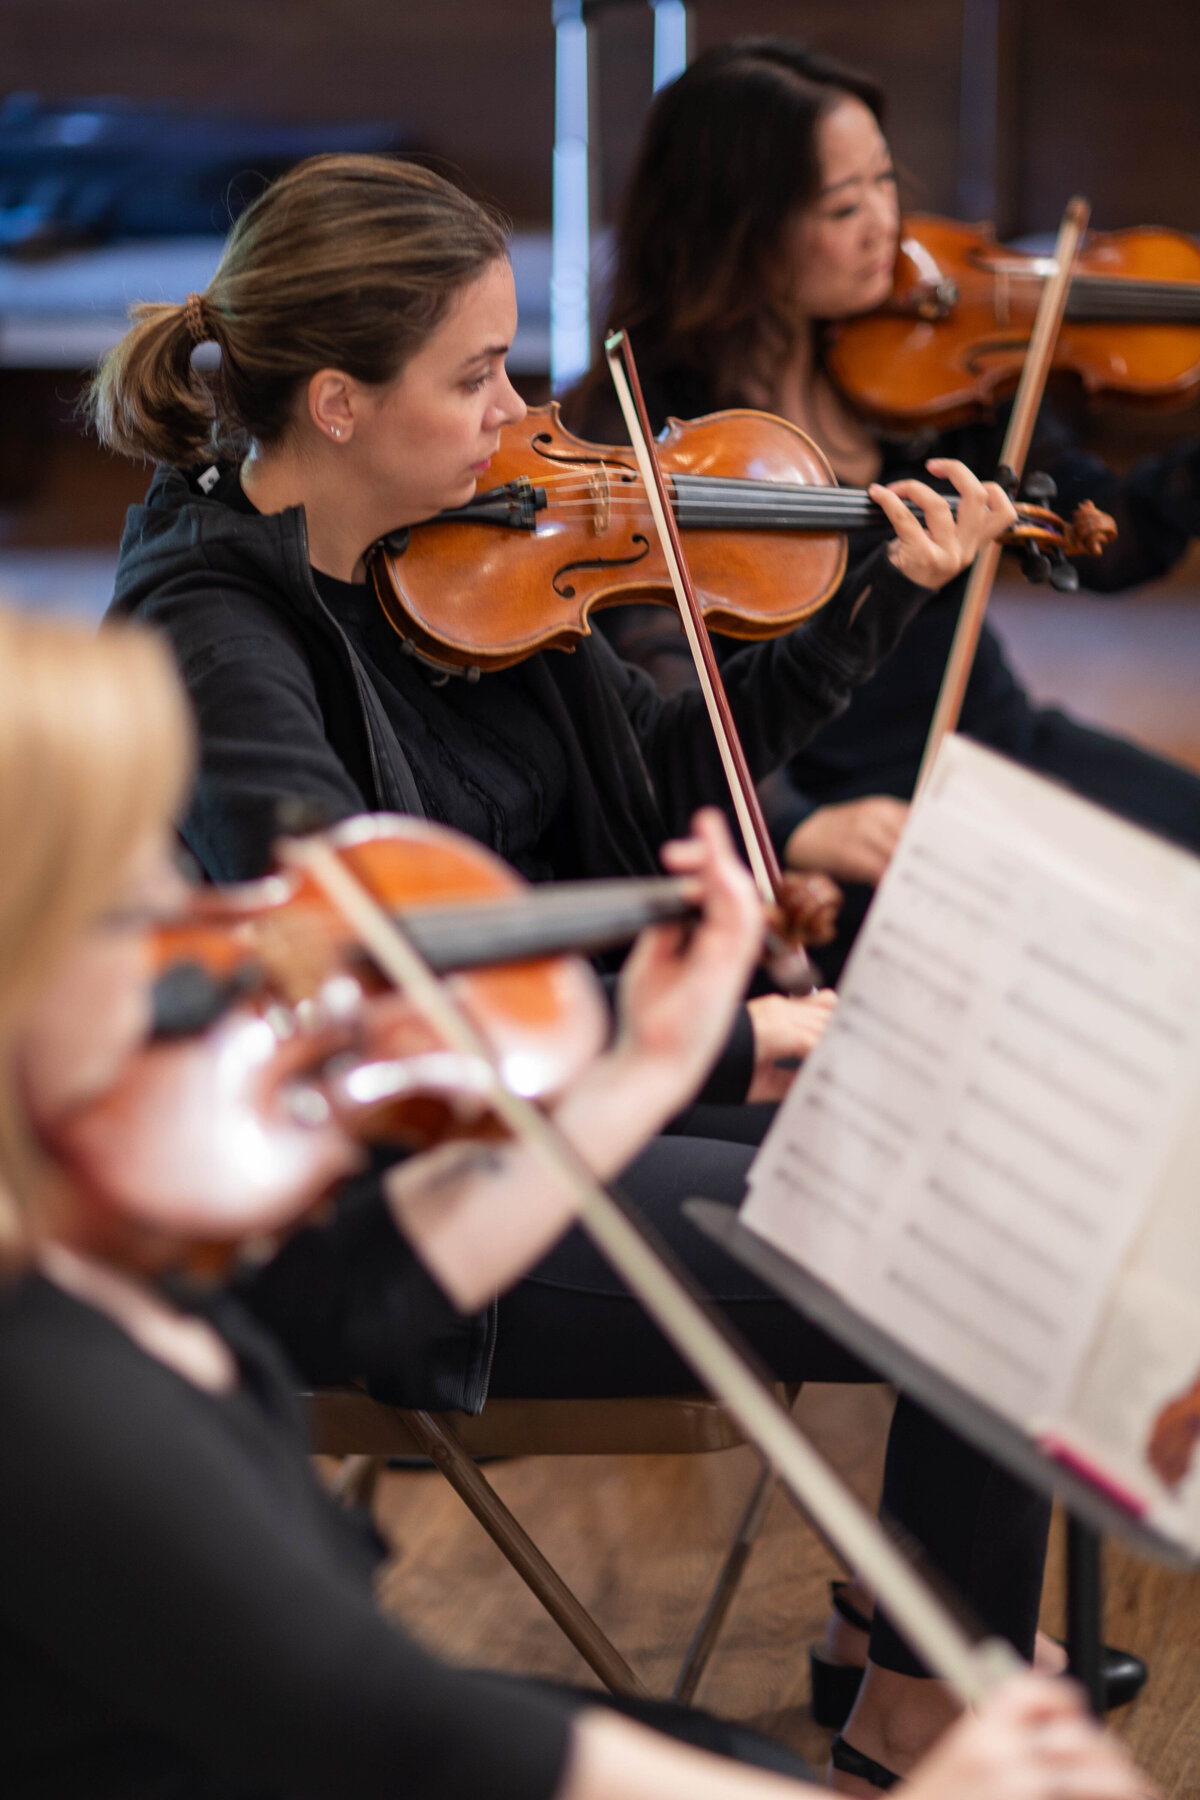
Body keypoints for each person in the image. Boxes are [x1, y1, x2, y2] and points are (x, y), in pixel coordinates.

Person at [87, 150, 1060, 1789]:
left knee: (992, 1186)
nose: (517, 413)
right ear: (335, 402)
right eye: (476, 375)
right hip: (420, 1192)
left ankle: (912, 1652)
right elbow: (375, 983)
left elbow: (678, 775)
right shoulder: (211, 635)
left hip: (580, 1089)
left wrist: (873, 601)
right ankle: (924, 1697)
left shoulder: (439, 559)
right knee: (964, 1264)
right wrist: (708, 1041)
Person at [0, 603, 1152, 1800]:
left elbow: (352, 1285)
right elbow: (391, 1728)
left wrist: (648, 1062)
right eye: (136, 910)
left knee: (728, 1752)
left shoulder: (98, 1236)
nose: (207, 951)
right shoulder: (41, 1386)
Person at [566, 36, 1200, 986]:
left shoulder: (933, 367)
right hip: (834, 807)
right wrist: (796, 825)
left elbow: (1112, 542)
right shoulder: (645, 433)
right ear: (736, 228)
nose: (887, 226)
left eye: (884, 182)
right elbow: (658, 694)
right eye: (841, 205)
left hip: (990, 750)